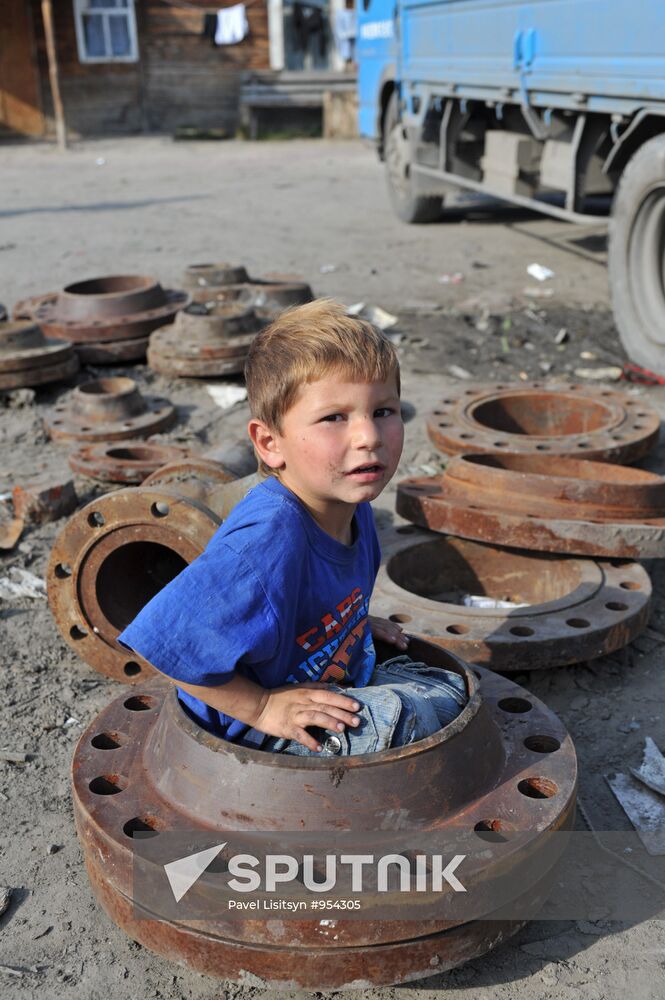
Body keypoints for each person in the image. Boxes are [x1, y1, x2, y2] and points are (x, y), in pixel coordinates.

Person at [119, 299, 467, 756]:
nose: (369, 437)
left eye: (384, 411)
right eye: (334, 418)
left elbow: (305, 605)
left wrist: (351, 627)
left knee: (451, 690)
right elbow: (167, 642)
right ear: (269, 443)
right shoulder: (268, 537)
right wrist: (263, 707)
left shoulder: (349, 497)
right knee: (415, 720)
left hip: (321, 679)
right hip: (251, 733)